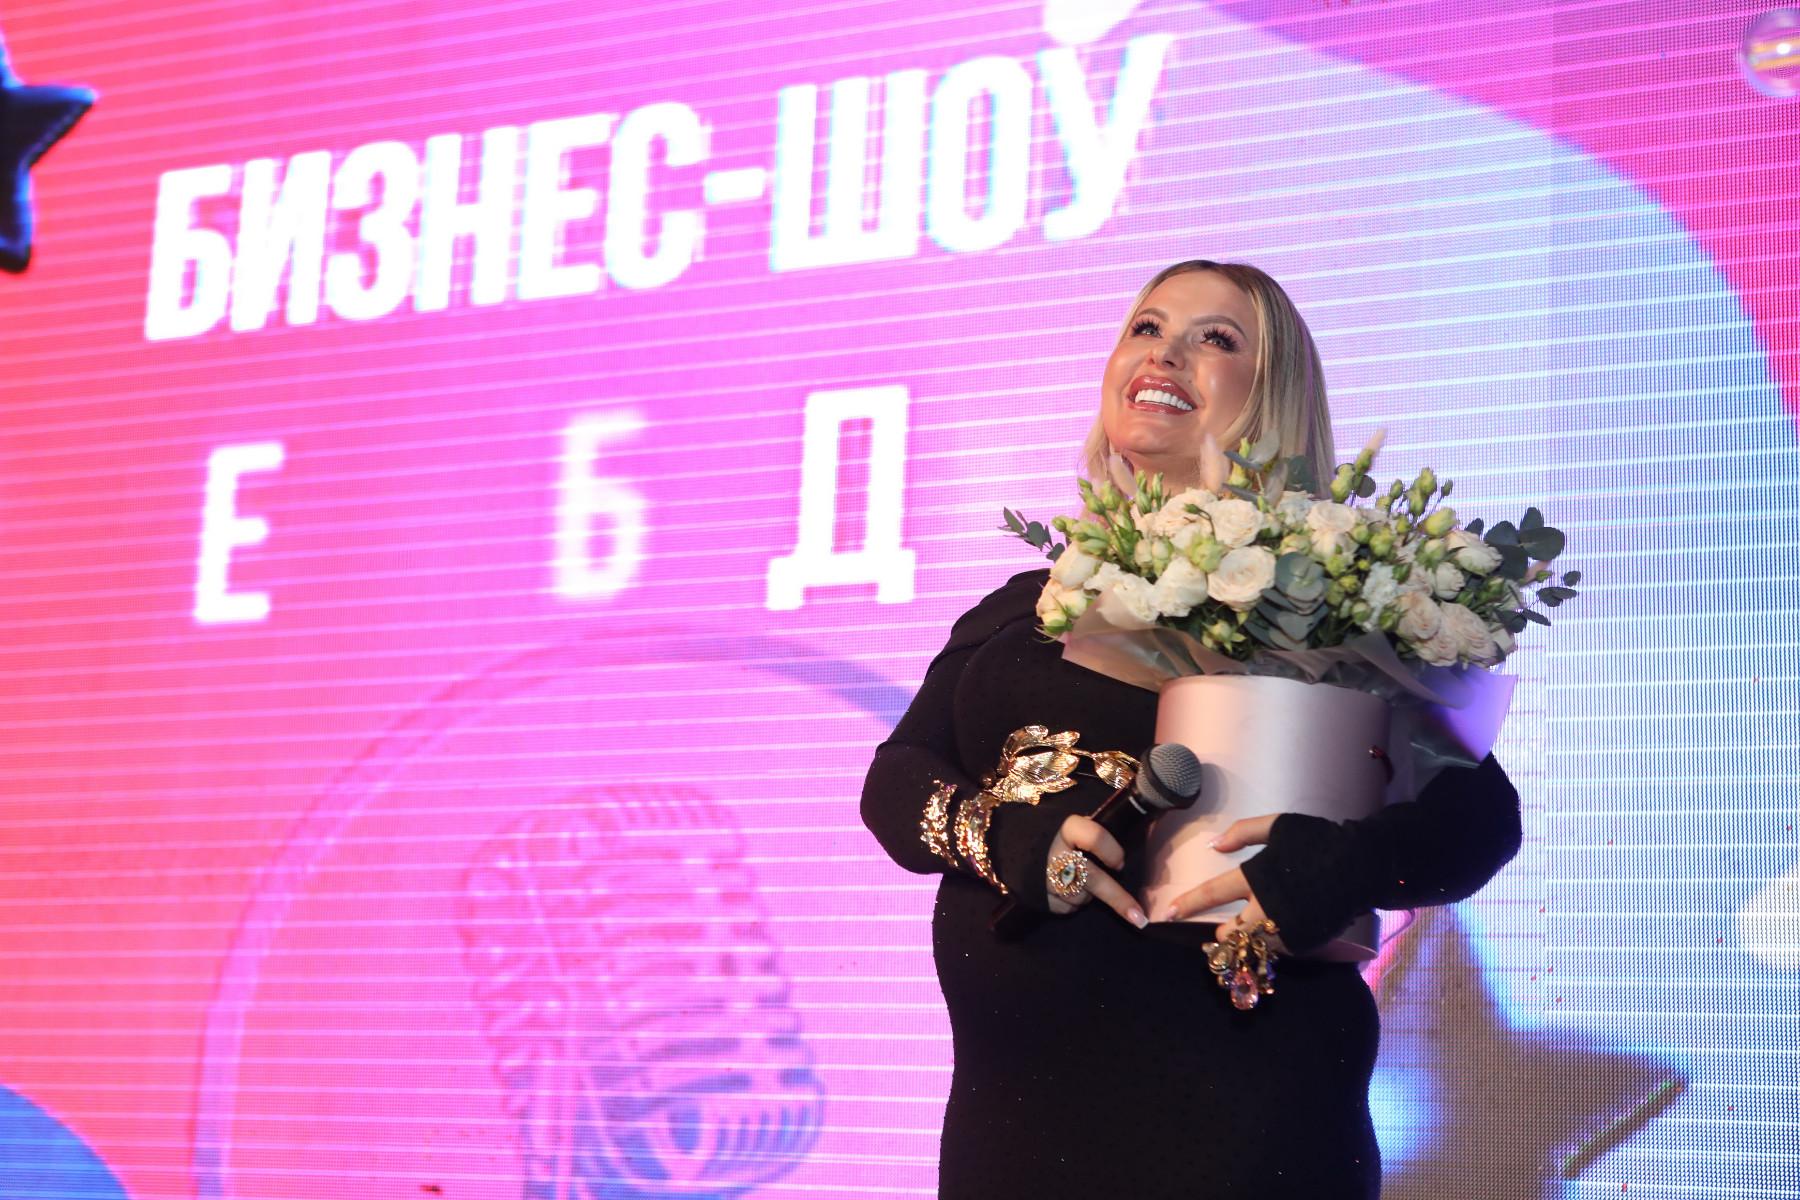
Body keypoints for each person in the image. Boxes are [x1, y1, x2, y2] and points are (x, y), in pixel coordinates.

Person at [860, 260, 1522, 1199]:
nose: (1165, 352)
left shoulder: (1328, 608)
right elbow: (896, 779)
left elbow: (1480, 822)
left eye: (1216, 339)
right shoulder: (1019, 607)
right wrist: (1000, 834)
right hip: (1011, 1126)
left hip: (1241, 1118)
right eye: (1147, 327)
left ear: (1273, 397)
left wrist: (1337, 867)